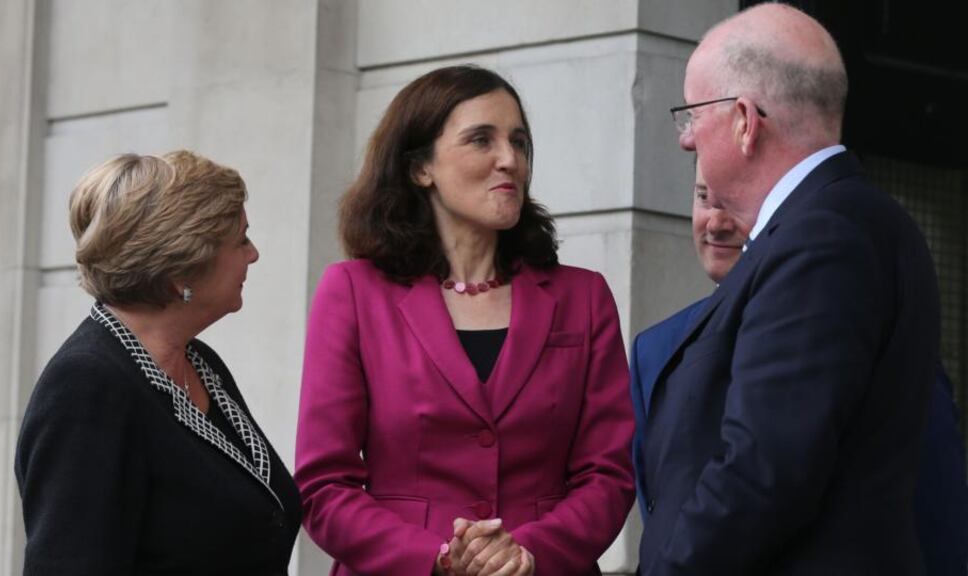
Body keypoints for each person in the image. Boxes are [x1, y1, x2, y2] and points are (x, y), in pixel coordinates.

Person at [294, 65, 635, 576]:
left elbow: (609, 474)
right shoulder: (352, 292)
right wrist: (433, 559)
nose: (510, 160)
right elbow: (323, 485)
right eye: (482, 140)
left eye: (519, 142)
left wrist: (529, 552)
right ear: (420, 168)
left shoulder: (583, 296)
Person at [639, 3, 941, 574]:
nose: (686, 141)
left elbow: (762, 470)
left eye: (692, 115)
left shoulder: (823, 237)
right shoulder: (835, 223)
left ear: (744, 122)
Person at [631, 164, 968, 574]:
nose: (716, 222)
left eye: (730, 202)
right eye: (704, 198)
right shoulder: (654, 349)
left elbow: (936, 491)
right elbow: (663, 504)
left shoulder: (853, 317)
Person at [15, 151, 301, 575]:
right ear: (182, 269)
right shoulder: (86, 386)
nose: (254, 254)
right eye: (241, 239)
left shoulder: (201, 364)